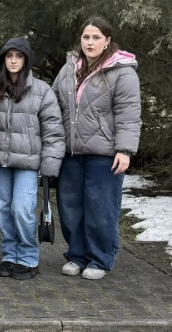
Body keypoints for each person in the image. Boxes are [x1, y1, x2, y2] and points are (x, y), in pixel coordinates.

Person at [52, 16, 141, 280]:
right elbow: (54, 103)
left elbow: (128, 114)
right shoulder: (69, 68)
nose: (90, 42)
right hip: (70, 153)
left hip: (104, 154)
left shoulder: (122, 71)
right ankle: (77, 255)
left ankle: (99, 259)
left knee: (100, 209)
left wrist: (125, 150)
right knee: (70, 209)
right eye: (86, 37)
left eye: (96, 37)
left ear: (107, 41)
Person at [0, 38, 65, 280]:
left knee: (22, 209)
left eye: (19, 56)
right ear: (2, 60)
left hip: (28, 162)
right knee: (3, 209)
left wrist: (50, 163)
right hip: (0, 160)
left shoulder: (42, 90)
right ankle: (9, 255)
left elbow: (53, 130)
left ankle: (28, 257)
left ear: (26, 60)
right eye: (9, 56)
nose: (13, 61)